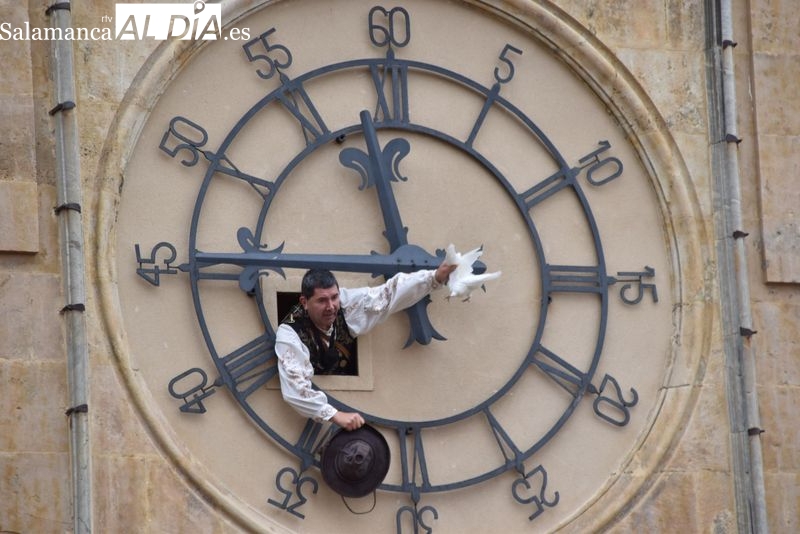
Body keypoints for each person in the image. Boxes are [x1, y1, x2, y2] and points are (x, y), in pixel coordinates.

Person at [275, 263, 456, 431]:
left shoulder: (347, 304)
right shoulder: (289, 333)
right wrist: (335, 415)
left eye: (334, 297)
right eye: (322, 300)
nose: (330, 306)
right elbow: (294, 387)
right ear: (304, 302)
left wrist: (434, 278)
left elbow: (389, 293)